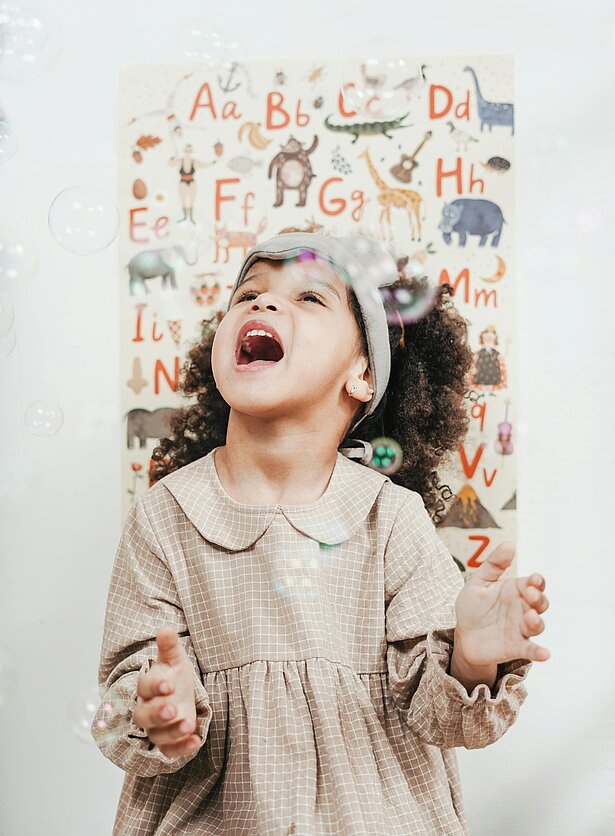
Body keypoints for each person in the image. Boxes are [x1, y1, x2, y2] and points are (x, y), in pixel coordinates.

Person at [92, 226, 550, 835]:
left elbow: (444, 719)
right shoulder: (166, 515)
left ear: (362, 373)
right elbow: (129, 694)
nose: (262, 303)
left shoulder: (389, 518)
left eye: (310, 298)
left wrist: (469, 660)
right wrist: (156, 706)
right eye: (247, 294)